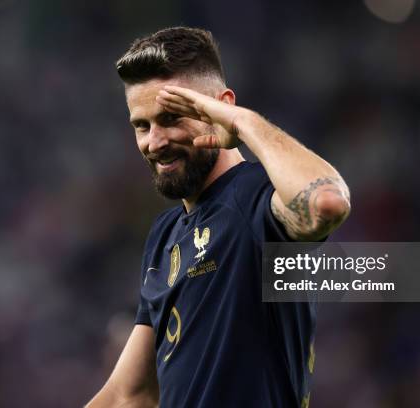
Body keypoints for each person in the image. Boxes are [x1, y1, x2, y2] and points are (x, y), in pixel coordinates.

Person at [86, 27, 350, 408]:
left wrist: (243, 123)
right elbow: (130, 394)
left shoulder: (256, 198)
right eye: (142, 126)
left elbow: (326, 204)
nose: (154, 142)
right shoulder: (165, 233)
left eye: (171, 118)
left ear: (221, 107)